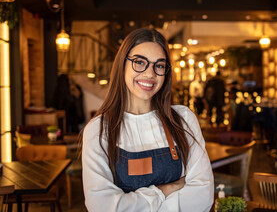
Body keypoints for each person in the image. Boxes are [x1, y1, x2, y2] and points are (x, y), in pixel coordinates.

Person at [81, 28, 214, 211]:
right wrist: (164, 190)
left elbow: (203, 197)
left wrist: (133, 203)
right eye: (139, 62)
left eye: (159, 65)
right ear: (122, 64)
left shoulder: (183, 119)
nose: (150, 74)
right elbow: (102, 206)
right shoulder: (99, 129)